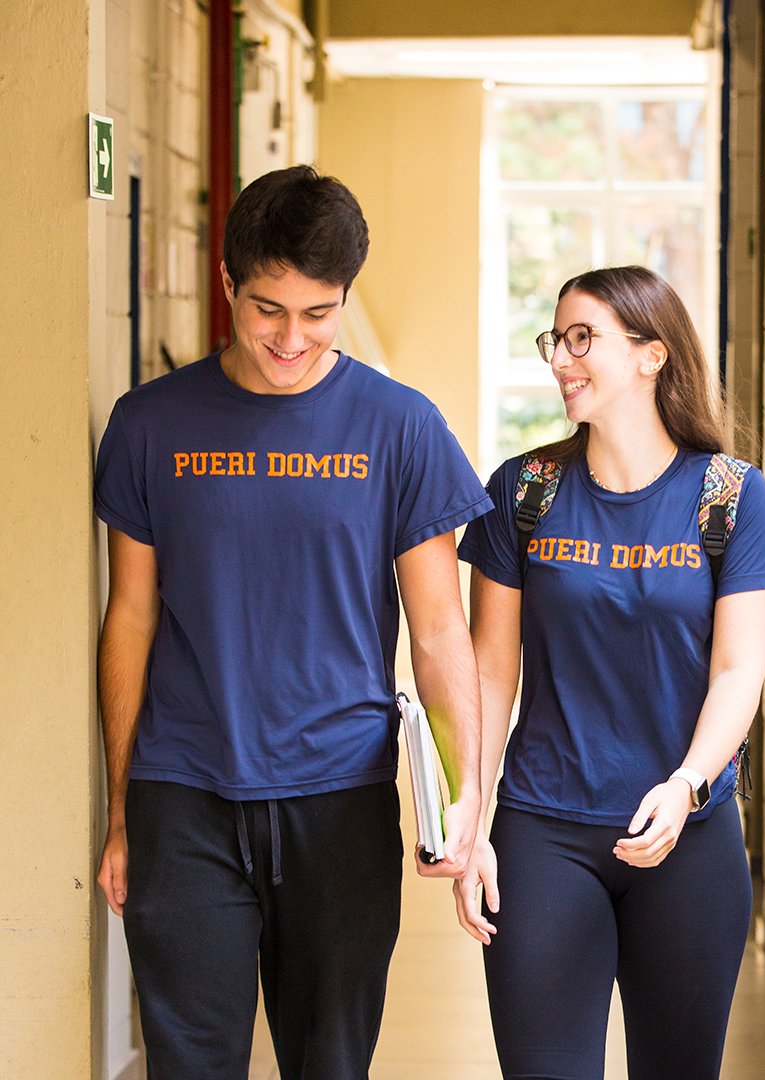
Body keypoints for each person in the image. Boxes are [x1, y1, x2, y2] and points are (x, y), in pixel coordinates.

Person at [94, 164, 491, 1079]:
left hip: (340, 798)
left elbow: (438, 633)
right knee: (190, 1064)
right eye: (269, 308)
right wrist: (121, 813)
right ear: (227, 282)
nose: (291, 338)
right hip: (183, 793)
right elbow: (130, 619)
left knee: (331, 1063)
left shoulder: (401, 428)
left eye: (319, 314)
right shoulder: (150, 426)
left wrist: (464, 797)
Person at [455, 265, 765, 1079]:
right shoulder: (525, 492)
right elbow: (488, 674)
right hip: (542, 832)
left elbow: (740, 671)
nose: (561, 359)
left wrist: (687, 785)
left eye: (584, 339)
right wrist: (469, 818)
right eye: (556, 340)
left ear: (652, 355)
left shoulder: (731, 497)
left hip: (686, 839)